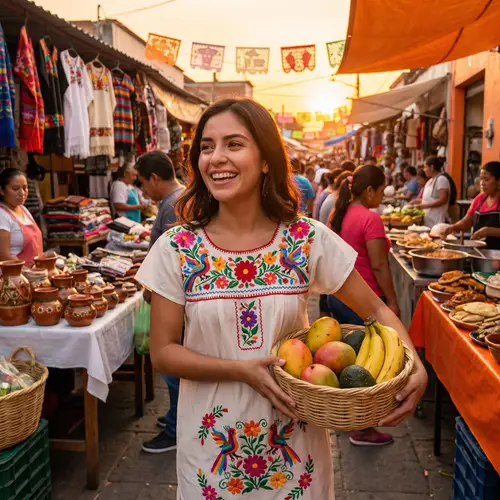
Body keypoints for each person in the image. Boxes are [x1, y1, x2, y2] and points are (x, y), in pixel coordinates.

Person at [135, 98, 427, 498]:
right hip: (212, 448)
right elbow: (164, 353)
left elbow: (375, 309)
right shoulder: (177, 248)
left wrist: (416, 364)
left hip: (295, 448)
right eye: (206, 147)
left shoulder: (304, 239)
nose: (216, 158)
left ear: (267, 159)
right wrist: (241, 370)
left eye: (234, 144)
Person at [327, 166, 400, 447]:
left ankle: (346, 415)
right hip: (364, 299)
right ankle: (363, 428)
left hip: (339, 296)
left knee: (349, 358)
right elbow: (379, 265)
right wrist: (391, 301)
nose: (381, 196)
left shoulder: (339, 213)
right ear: (369, 191)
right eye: (381, 190)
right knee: (366, 365)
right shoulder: (371, 219)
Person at [135, 151, 185, 453]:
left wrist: (153, 290)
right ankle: (174, 418)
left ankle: (176, 429)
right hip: (173, 298)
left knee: (172, 367)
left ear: (155, 178)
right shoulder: (176, 201)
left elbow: (173, 261)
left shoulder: (171, 206)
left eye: (142, 183)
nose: (142, 190)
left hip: (172, 301)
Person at [443, 161, 500, 248]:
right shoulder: (480, 199)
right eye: (481, 179)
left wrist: (488, 231)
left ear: (498, 181)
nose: (482, 183)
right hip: (478, 253)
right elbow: (466, 222)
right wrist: (453, 227)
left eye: (487, 179)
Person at [0, 168, 43, 265]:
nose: (22, 193)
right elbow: (3, 255)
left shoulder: (24, 210)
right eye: (15, 189)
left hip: (33, 273)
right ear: (2, 190)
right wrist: (27, 271)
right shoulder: (2, 215)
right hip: (13, 275)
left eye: (25, 188)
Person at [411, 156, 451, 227]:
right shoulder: (430, 181)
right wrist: (415, 202)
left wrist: (424, 206)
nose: (424, 170)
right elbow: (428, 199)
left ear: (432, 167)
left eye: (425, 167)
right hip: (428, 220)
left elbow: (443, 200)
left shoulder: (442, 179)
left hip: (437, 221)